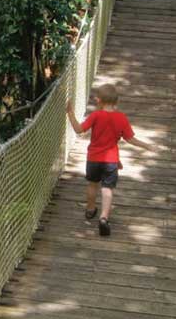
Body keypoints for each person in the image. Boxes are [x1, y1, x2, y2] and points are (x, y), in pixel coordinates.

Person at [66, 83, 154, 237]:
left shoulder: (95, 115)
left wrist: (70, 114)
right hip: (111, 161)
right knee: (107, 189)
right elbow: (130, 139)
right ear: (117, 102)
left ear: (98, 101)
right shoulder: (121, 118)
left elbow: (79, 130)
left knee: (93, 185)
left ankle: (90, 209)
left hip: (93, 159)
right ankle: (104, 217)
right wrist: (146, 145)